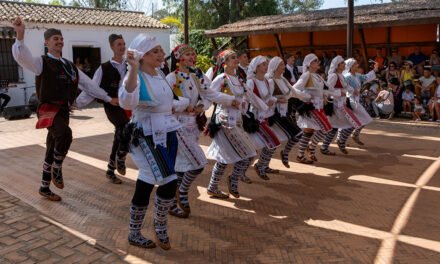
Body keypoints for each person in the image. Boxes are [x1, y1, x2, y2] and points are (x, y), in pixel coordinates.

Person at [11, 16, 117, 202]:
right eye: (55, 39)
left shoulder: (70, 66)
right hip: (48, 109)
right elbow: (22, 57)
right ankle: (57, 166)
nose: (59, 41)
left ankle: (44, 187)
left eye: (61, 39)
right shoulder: (41, 62)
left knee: (52, 146)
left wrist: (108, 98)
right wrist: (20, 35)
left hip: (63, 110)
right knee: (64, 134)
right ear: (47, 42)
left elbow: (89, 86)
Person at [120, 34, 190, 250]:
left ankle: (149, 227)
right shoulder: (136, 76)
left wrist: (184, 105)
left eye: (161, 50)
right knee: (167, 181)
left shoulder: (160, 74)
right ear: (143, 55)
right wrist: (132, 69)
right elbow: (126, 100)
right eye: (156, 51)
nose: (161, 54)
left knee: (152, 180)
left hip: (167, 131)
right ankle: (152, 228)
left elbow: (167, 103)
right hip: (146, 134)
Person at [166, 44, 238, 217]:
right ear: (179, 57)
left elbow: (210, 95)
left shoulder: (197, 75)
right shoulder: (171, 78)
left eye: (194, 53)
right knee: (199, 162)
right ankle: (182, 193)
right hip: (178, 125)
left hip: (193, 126)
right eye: (188, 54)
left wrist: (203, 106)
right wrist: (184, 106)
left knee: (183, 164)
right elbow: (166, 102)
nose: (193, 57)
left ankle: (172, 200)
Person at [206, 49, 262, 198]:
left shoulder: (239, 80)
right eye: (232, 58)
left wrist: (258, 107)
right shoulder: (221, 78)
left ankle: (213, 186)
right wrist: (229, 101)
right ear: (224, 62)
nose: (236, 60)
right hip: (224, 120)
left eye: (236, 57)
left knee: (225, 155)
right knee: (249, 152)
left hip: (237, 120)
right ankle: (233, 180)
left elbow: (249, 97)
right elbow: (210, 95)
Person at [77, 34, 129, 184]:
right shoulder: (104, 67)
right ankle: (120, 157)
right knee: (123, 127)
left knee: (121, 133)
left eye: (123, 44)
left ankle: (111, 169)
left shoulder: (130, 65)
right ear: (112, 47)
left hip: (128, 105)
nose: (122, 47)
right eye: (118, 44)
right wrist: (79, 102)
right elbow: (92, 87)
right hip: (112, 104)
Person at [246, 56, 281, 181]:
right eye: (263, 64)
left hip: (265, 117)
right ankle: (255, 168)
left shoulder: (267, 81)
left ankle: (261, 166)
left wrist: (272, 101)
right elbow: (250, 99)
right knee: (268, 143)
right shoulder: (251, 82)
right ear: (256, 67)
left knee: (268, 144)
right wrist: (266, 104)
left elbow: (269, 97)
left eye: (266, 64)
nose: (266, 66)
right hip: (255, 119)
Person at [293, 53, 333, 164]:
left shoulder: (317, 76)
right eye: (315, 61)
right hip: (310, 108)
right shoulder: (307, 75)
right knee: (326, 128)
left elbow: (326, 88)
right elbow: (295, 89)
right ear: (309, 63)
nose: (318, 62)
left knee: (310, 131)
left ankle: (302, 153)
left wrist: (325, 94)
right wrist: (306, 97)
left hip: (318, 107)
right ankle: (309, 148)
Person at [265, 57, 304, 168]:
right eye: (281, 65)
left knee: (275, 141)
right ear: (275, 67)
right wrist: (277, 100)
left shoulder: (282, 79)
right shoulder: (270, 80)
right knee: (297, 134)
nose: (283, 67)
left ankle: (263, 165)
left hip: (284, 112)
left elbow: (293, 92)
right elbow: (266, 98)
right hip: (275, 114)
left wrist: (306, 97)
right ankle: (264, 164)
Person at [320, 56, 363, 155]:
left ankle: (327, 145)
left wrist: (352, 91)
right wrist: (340, 93)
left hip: (342, 104)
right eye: (342, 63)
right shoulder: (334, 76)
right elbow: (327, 90)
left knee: (339, 126)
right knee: (351, 123)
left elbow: (347, 87)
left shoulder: (341, 75)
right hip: (336, 105)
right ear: (338, 65)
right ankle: (334, 143)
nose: (344, 64)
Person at [343, 58, 379, 146]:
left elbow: (366, 77)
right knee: (361, 119)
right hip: (350, 100)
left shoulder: (357, 75)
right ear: (351, 67)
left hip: (356, 100)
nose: (357, 65)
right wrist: (351, 91)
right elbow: (343, 87)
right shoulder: (347, 77)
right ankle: (345, 138)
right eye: (355, 64)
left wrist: (375, 69)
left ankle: (345, 138)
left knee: (357, 120)